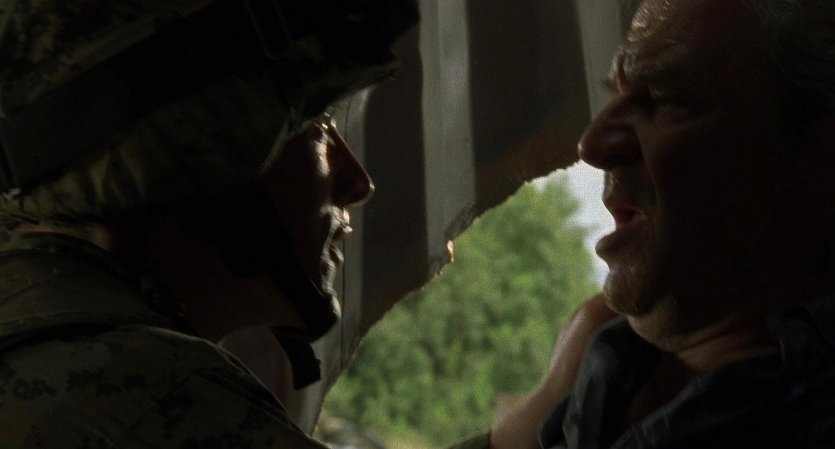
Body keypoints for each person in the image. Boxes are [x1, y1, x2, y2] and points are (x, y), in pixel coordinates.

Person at [0, 0, 418, 447]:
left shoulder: (33, 319)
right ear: (204, 158)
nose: (357, 182)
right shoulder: (150, 390)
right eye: (318, 127)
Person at [496, 0, 835, 448]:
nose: (591, 145)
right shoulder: (602, 379)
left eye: (666, 100)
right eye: (615, 95)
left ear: (821, 155)